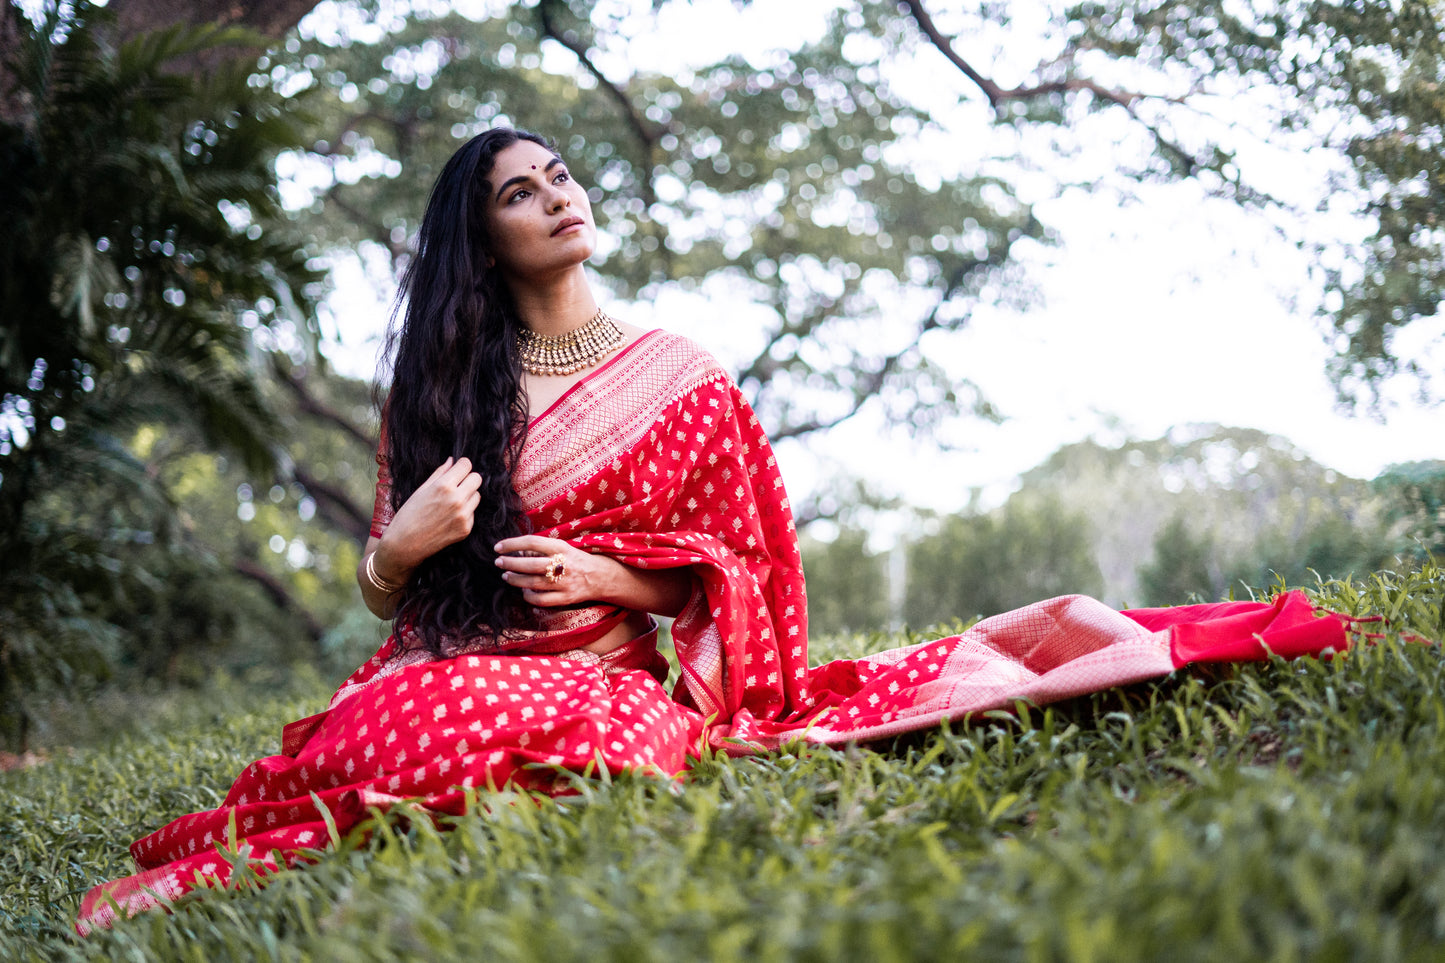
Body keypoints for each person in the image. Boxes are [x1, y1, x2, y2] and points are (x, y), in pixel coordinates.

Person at [77, 128, 1349, 932]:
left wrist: (610, 578)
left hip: (615, 676)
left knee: (598, 733)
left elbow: (748, 575)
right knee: (369, 731)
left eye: (559, 175)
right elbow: (379, 594)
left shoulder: (679, 376)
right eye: (521, 194)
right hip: (454, 664)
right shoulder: (435, 395)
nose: (556, 198)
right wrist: (403, 545)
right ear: (487, 238)